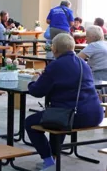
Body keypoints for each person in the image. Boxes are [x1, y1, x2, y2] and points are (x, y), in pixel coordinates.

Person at [25, 33, 103, 171]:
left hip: (74, 116)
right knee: (56, 116)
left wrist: (32, 82)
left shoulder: (55, 66)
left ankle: (49, 162)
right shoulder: (83, 64)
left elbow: (37, 92)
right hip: (95, 114)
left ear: (54, 49)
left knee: (31, 122)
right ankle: (54, 156)